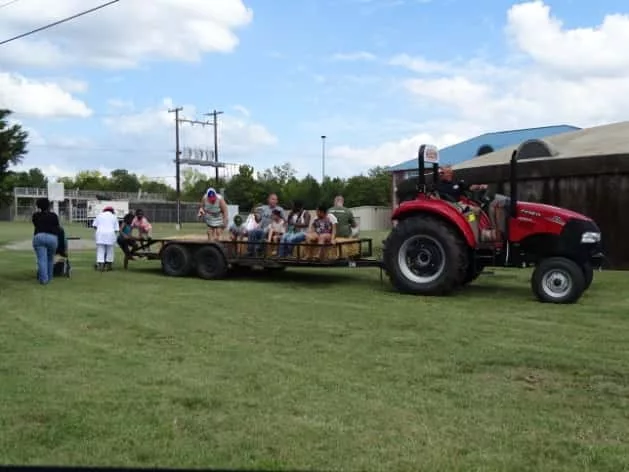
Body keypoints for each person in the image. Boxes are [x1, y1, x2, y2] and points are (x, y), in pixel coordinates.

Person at [31, 197, 61, 285]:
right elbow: (57, 227)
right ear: (48, 205)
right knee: (50, 259)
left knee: (41, 259)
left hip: (39, 236)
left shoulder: (35, 215)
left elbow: (36, 224)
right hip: (52, 237)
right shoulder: (54, 215)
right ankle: (50, 277)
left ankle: (43, 279)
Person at [92, 206, 119, 271]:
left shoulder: (99, 215)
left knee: (100, 250)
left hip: (100, 234)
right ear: (111, 211)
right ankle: (108, 266)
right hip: (110, 234)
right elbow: (116, 229)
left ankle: (100, 266)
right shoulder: (114, 217)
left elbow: (95, 226)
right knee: (110, 251)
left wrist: (100, 231)